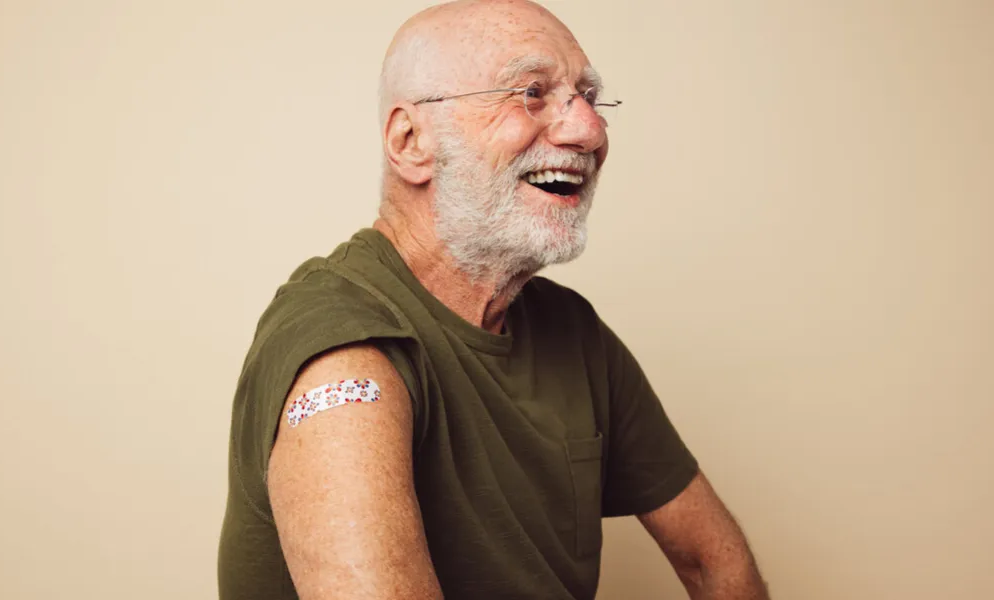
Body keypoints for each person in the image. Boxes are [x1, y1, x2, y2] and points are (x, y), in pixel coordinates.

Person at [218, 1, 768, 598]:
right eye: (530, 92)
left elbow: (715, 565)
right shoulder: (346, 354)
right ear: (410, 140)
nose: (589, 130)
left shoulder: (572, 332)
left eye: (587, 96)